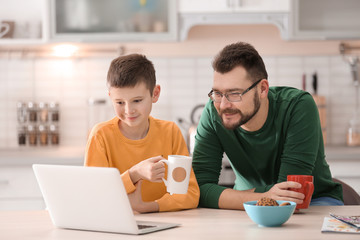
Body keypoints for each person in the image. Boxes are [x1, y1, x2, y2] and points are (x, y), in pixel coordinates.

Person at [192, 42, 343, 210]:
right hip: (244, 205)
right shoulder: (214, 110)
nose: (223, 105)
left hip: (313, 202)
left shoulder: (298, 106)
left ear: (262, 89)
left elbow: (289, 195)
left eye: (234, 93)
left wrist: (235, 196)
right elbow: (198, 189)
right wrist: (262, 197)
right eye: (218, 93)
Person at [85, 54, 200, 213]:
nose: (128, 110)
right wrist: (134, 174)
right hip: (116, 226)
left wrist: (148, 207)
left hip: (165, 224)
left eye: (137, 100)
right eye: (120, 102)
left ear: (155, 93)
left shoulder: (170, 132)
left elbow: (190, 194)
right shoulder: (100, 135)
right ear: (110, 97)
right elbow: (94, 195)